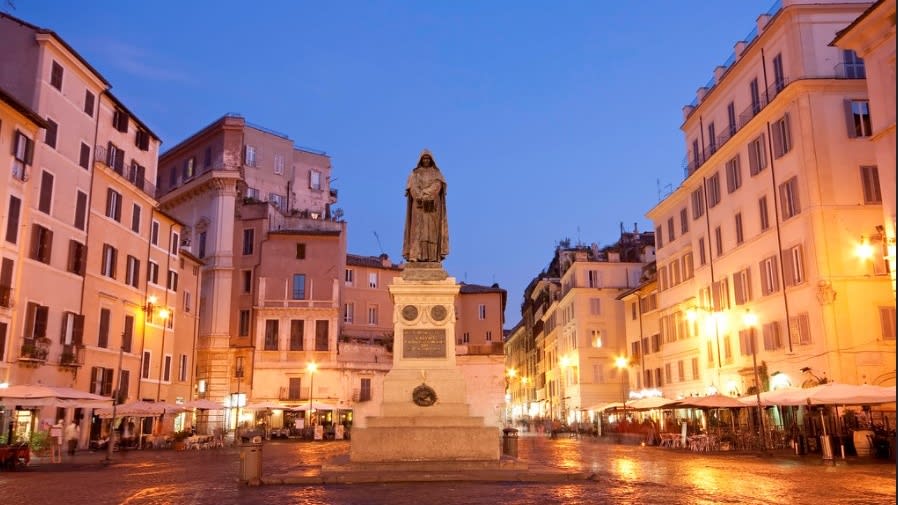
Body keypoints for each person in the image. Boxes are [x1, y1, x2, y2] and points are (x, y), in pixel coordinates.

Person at [402, 149, 449, 263]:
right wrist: (419, 196)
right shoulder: (414, 174)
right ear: (421, 160)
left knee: (431, 232)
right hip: (418, 207)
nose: (426, 160)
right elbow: (412, 187)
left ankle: (432, 256)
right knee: (417, 231)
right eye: (424, 158)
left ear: (431, 160)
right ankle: (415, 255)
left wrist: (426, 194)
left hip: (432, 207)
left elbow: (438, 186)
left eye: (428, 158)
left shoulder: (437, 173)